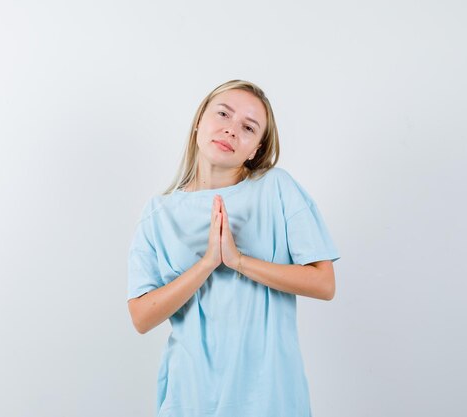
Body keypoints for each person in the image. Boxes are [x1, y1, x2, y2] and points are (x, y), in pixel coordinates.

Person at [126, 79, 341, 417]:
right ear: (200, 121)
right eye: (223, 114)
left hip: (270, 397)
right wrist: (209, 263)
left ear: (255, 149)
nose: (230, 131)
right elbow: (141, 316)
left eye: (248, 127)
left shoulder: (277, 189)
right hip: (191, 398)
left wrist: (238, 260)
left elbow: (324, 283)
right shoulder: (158, 213)